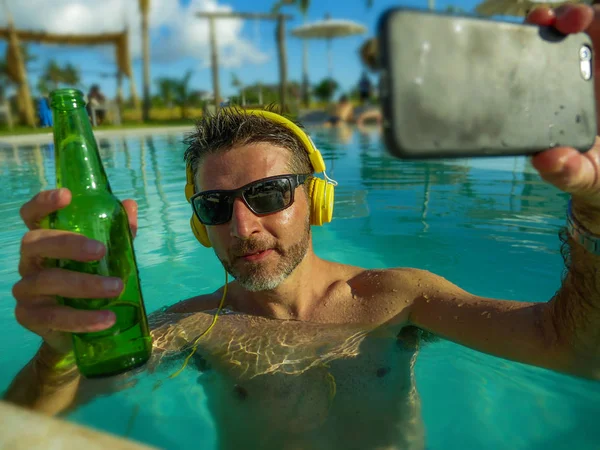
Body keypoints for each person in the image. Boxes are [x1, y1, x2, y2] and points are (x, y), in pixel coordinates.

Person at [5, 5, 600, 450]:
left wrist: (595, 211)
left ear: (315, 200)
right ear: (198, 226)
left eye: (266, 195)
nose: (242, 225)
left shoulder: (398, 299)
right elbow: (30, 419)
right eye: (215, 206)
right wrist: (59, 353)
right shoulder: (191, 329)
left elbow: (572, 348)